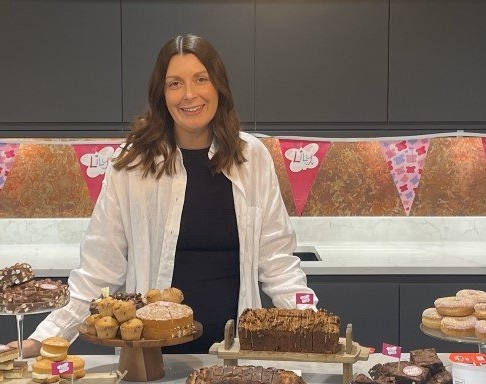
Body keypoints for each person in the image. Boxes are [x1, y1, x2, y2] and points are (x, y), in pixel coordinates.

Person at [23, 33, 315, 355]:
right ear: (161, 94)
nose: (189, 95)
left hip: (234, 357)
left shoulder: (252, 157)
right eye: (175, 83)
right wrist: (45, 338)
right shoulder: (132, 164)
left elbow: (278, 263)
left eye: (200, 79)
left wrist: (314, 325)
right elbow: (98, 270)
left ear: (218, 86)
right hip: (151, 361)